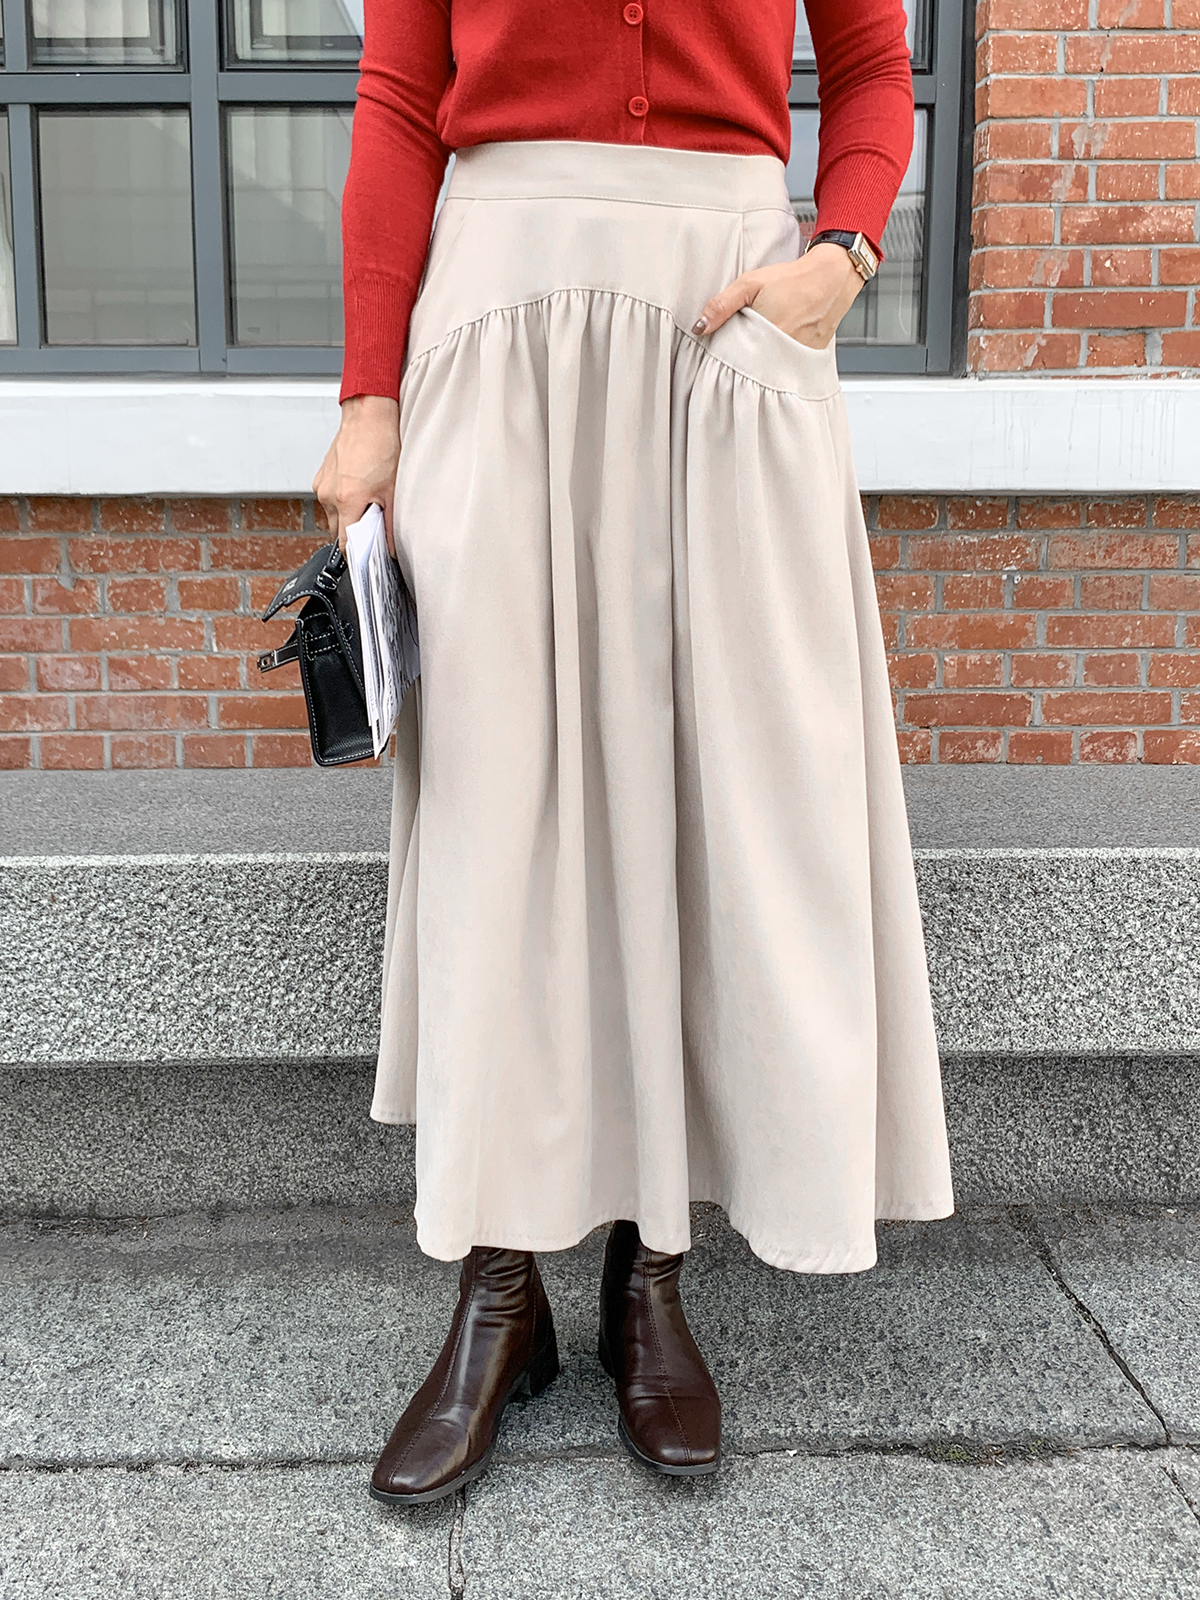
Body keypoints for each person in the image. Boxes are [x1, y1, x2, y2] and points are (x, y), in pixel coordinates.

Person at [313, 0, 955, 1506]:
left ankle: (648, 1276)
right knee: (497, 813)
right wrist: (367, 395)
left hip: (724, 323)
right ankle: (498, 1292)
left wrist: (844, 254)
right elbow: (399, 104)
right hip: (499, 321)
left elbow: (874, 65)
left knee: (709, 803)